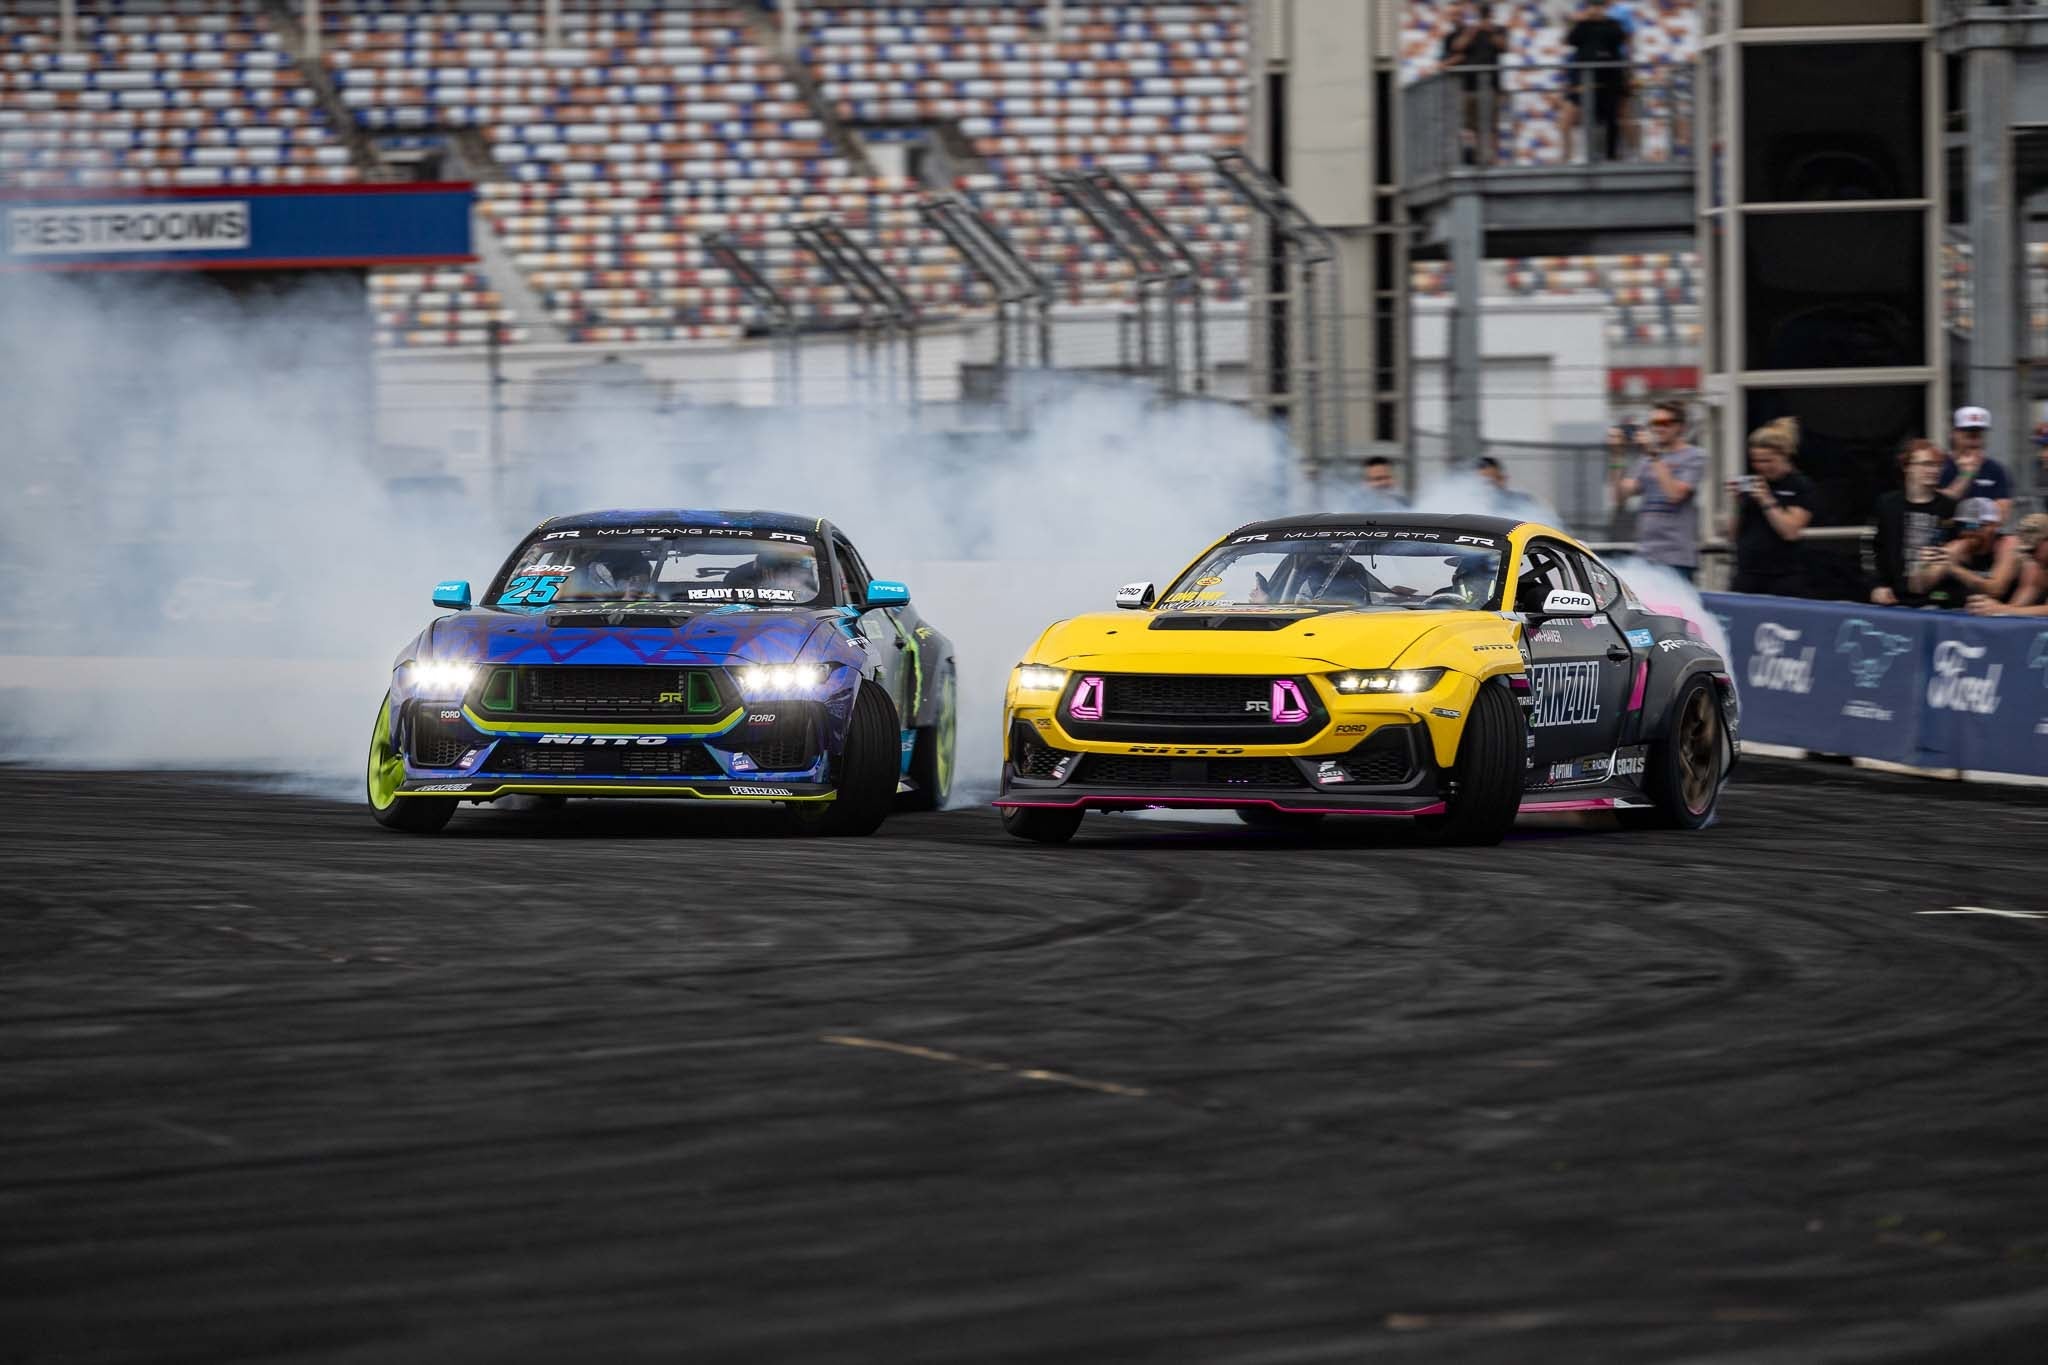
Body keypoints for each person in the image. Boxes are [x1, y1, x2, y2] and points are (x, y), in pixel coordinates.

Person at [1609, 399, 1705, 580]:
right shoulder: (1647, 460)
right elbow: (1620, 497)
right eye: (1654, 423)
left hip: (1677, 558)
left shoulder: (1693, 456)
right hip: (1646, 555)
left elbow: (1675, 494)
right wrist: (1617, 455)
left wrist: (1653, 454)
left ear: (1681, 427)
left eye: (1664, 423)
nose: (1658, 428)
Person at [1725, 417, 1815, 597]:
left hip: (1782, 576)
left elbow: (1790, 531)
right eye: (1756, 461)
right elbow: (1732, 535)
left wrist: (1766, 500)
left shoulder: (1799, 485)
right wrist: (1736, 503)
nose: (1760, 467)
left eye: (1767, 461)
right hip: (1747, 573)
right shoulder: (1754, 484)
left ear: (1784, 456)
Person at [1868, 439, 1956, 607]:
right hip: (1894, 598)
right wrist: (1876, 585)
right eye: (1926, 464)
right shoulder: (1887, 504)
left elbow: (1956, 556)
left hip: (1937, 600)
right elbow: (1870, 549)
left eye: (1938, 465)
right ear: (1907, 466)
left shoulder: (1949, 507)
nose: (1933, 470)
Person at [1562, 0, 1630, 163]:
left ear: (1604, 8)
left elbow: (1620, 40)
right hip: (1586, 78)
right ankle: (1587, 155)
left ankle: (1612, 156)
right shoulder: (1582, 25)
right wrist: (1579, 22)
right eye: (1593, 6)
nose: (1596, 10)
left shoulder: (1613, 25)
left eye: (1599, 7)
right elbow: (1570, 40)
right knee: (1587, 116)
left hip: (1609, 78)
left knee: (1612, 117)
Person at [1439, 3, 1507, 166]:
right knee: (1471, 126)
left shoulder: (1498, 30)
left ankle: (1493, 161)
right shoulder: (1464, 32)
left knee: (1492, 126)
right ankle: (1478, 161)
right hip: (1468, 87)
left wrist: (1489, 30)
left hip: (1491, 86)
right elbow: (1457, 47)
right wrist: (1472, 31)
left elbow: (1504, 46)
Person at [1924, 498, 2018, 610]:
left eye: (1974, 526)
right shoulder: (1957, 547)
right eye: (1963, 525)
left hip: (1997, 613)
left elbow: (1996, 590)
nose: (1967, 532)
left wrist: (1955, 570)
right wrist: (1928, 565)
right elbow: (1925, 584)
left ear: (1992, 526)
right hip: (1960, 611)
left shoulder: (2007, 544)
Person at [1938, 406, 2013, 524]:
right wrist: (1966, 475)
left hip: (1985, 532)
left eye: (1979, 436)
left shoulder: (1995, 469)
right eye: (1969, 435)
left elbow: (2002, 514)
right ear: (1954, 434)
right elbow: (1938, 510)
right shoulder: (1939, 466)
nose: (1974, 442)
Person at [1969, 513, 2048, 615]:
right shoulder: (2037, 567)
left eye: (2033, 550)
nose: (2032, 557)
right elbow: (2017, 607)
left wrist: (2004, 610)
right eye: (2027, 552)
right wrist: (1989, 607)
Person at [1477, 456, 1543, 518]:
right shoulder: (1474, 504)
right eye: (1486, 482)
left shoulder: (1522, 500)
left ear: (1503, 478)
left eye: (1496, 479)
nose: (1491, 486)